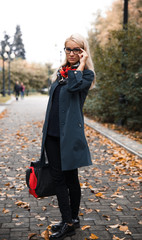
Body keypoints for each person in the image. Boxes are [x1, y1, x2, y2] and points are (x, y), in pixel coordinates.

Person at [40, 33, 95, 240]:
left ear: (83, 52)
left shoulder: (85, 75)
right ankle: (69, 219)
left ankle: (69, 222)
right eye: (68, 49)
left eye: (76, 50)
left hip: (69, 136)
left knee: (71, 179)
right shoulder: (61, 72)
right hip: (52, 134)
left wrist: (80, 66)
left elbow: (73, 88)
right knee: (59, 178)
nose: (71, 53)